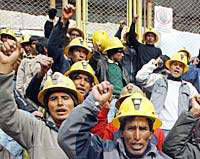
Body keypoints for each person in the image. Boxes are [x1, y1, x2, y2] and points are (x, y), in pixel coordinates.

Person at [58, 82, 172, 159]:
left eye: (142, 129)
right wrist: (94, 102)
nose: (137, 136)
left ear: (151, 133)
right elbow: (68, 137)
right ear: (121, 131)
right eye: (131, 128)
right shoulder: (102, 153)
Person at [148, 51, 198, 137]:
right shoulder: (158, 80)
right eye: (175, 64)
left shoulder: (188, 86)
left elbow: (197, 103)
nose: (178, 67)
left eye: (181, 66)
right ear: (170, 66)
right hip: (157, 127)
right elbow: (140, 77)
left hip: (177, 130)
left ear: (183, 71)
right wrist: (155, 63)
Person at [48, 6, 90, 73]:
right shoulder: (64, 65)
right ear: (70, 53)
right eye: (78, 51)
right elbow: (54, 47)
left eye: (84, 52)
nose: (81, 55)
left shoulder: (89, 70)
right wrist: (63, 21)